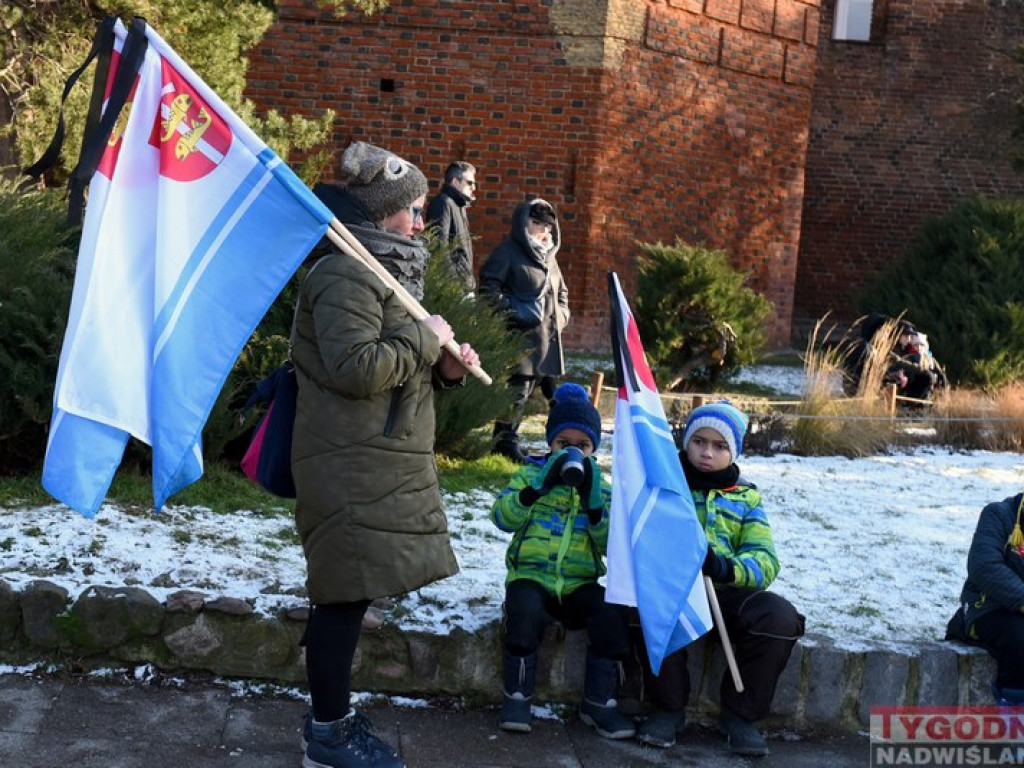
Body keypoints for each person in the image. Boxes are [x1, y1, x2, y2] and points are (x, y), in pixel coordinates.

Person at [290, 141, 480, 768]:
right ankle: (327, 734)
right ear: (380, 214)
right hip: (348, 461)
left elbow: (398, 367)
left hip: (373, 457)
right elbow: (355, 369)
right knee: (342, 595)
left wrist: (446, 367)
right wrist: (425, 342)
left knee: (349, 593)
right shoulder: (343, 272)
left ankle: (331, 717)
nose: (423, 223)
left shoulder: (384, 272)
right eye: (415, 211)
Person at [633, 401, 805, 756]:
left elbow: (765, 560)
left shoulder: (746, 498)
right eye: (699, 442)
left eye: (719, 446)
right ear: (686, 442)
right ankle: (667, 708)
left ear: (734, 451)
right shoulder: (667, 487)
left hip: (726, 594)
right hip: (676, 590)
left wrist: (725, 567)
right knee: (650, 608)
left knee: (778, 617)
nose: (707, 453)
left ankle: (740, 715)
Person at [490, 382, 635, 740]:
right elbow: (502, 517)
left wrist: (594, 506)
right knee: (523, 612)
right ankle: (517, 695)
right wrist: (536, 487)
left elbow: (611, 548)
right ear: (549, 443)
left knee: (610, 614)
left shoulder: (601, 487)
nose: (572, 452)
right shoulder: (529, 476)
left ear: (594, 450)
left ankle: (599, 702)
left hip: (578, 582)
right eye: (562, 444)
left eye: (582, 446)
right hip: (532, 576)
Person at [479, 198, 570, 462]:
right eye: (536, 223)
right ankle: (504, 442)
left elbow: (562, 293)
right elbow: (488, 289)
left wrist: (561, 317)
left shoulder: (550, 257)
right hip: (519, 339)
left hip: (548, 340)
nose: (543, 230)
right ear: (523, 223)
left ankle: (551, 443)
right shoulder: (507, 252)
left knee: (546, 396)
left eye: (547, 226)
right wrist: (514, 311)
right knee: (517, 393)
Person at [945, 494, 1024, 706]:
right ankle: (1014, 710)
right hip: (990, 606)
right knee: (1020, 640)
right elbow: (984, 567)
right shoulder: (999, 515)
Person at [425, 160, 477, 293]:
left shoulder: (459, 206)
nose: (473, 188)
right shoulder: (443, 204)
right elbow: (438, 248)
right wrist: (454, 285)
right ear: (455, 181)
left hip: (463, 286)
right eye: (469, 183)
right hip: (453, 288)